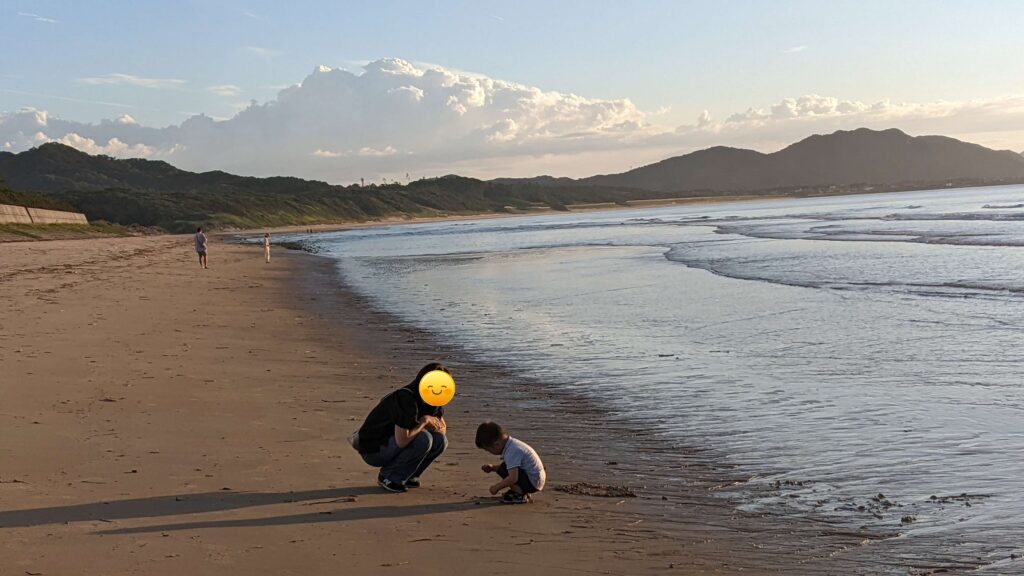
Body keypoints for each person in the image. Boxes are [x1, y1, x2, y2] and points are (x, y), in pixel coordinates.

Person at [356, 363, 450, 492]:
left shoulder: (433, 400)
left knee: (440, 440)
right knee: (424, 438)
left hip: (392, 444)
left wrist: (433, 425)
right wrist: (423, 422)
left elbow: (441, 430)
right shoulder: (406, 398)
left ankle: (410, 475)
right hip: (373, 449)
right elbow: (402, 441)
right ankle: (389, 476)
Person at [476, 421, 546, 504]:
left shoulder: (511, 451)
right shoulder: (512, 444)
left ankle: (518, 495)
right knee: (505, 467)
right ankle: (521, 491)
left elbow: (513, 478)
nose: (490, 453)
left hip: (533, 483)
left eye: (489, 450)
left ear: (496, 444)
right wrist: (492, 468)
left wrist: (496, 487)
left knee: (504, 470)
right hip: (535, 479)